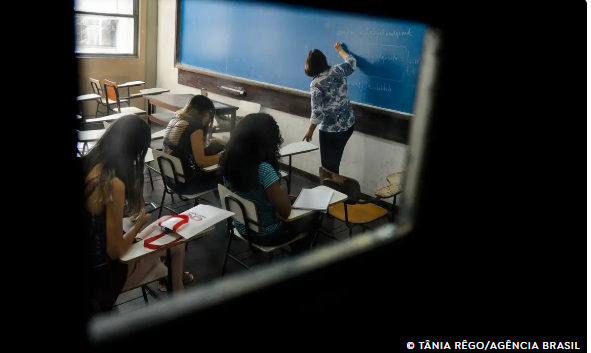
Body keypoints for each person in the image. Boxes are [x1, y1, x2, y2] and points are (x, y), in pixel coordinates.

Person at [83, 115, 192, 311]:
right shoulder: (112, 182)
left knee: (166, 221)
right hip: (106, 277)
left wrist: (121, 214)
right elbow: (115, 251)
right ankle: (179, 295)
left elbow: (95, 215)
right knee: (177, 244)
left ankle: (171, 280)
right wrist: (139, 223)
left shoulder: (89, 165)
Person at [220, 113, 322, 254]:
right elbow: (285, 213)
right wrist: (281, 193)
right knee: (314, 216)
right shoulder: (263, 170)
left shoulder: (228, 160)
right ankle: (299, 258)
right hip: (267, 235)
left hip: (242, 227)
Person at [303, 42, 357, 175]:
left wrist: (310, 130)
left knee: (328, 169)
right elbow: (352, 62)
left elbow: (317, 112)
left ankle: (333, 193)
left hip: (331, 131)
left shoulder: (316, 84)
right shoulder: (338, 69)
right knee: (334, 164)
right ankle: (335, 190)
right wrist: (340, 50)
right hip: (348, 124)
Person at [162, 95, 225, 195]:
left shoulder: (175, 120)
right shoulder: (194, 126)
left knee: (216, 148)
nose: (209, 120)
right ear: (205, 112)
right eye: (210, 115)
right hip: (186, 184)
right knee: (225, 173)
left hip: (170, 179)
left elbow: (182, 147)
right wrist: (224, 156)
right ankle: (223, 207)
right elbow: (202, 162)